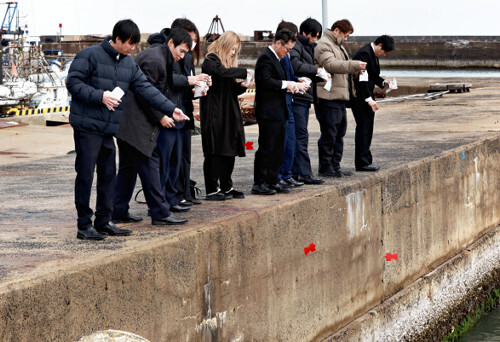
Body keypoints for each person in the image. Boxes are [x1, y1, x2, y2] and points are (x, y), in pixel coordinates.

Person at [66, 19, 188, 240]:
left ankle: (103, 221)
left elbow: (146, 90)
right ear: (118, 39)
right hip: (86, 126)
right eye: (130, 43)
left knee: (108, 175)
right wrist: (100, 96)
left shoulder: (128, 64)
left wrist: (171, 109)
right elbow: (73, 83)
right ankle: (84, 225)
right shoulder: (89, 55)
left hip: (107, 129)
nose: (133, 48)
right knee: (85, 175)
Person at [113, 28, 192, 227]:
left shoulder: (158, 56)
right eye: (181, 51)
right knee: (150, 165)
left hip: (127, 123)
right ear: (171, 42)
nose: (182, 57)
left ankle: (118, 210)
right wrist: (162, 116)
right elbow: (145, 93)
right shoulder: (155, 60)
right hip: (135, 123)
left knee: (128, 169)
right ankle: (160, 212)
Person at [200, 31, 254, 201]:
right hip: (214, 112)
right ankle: (212, 188)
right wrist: (244, 71)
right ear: (225, 46)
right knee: (215, 150)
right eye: (232, 49)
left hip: (228, 110)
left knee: (229, 148)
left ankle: (226, 185)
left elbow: (230, 87)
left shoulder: (225, 65)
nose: (233, 53)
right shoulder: (211, 61)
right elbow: (220, 73)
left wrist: (244, 86)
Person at [252, 29, 307, 195]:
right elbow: (266, 81)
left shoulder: (278, 59)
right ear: (278, 44)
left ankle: (272, 180)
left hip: (279, 111)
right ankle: (260, 182)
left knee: (277, 148)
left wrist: (294, 83)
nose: (287, 52)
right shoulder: (265, 59)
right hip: (268, 112)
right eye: (287, 49)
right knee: (267, 148)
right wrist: (287, 85)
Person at [314, 19, 366, 178]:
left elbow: (340, 66)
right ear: (336, 31)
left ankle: (335, 165)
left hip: (338, 96)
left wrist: (355, 72)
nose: (346, 39)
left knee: (339, 132)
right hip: (328, 97)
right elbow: (332, 65)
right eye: (346, 35)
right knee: (330, 133)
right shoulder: (323, 45)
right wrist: (354, 65)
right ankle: (325, 166)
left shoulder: (337, 45)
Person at [170, 18, 211, 206]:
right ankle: (176, 195)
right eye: (191, 41)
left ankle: (184, 192)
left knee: (184, 156)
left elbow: (186, 81)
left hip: (184, 109)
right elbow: (174, 80)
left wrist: (198, 87)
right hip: (175, 110)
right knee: (174, 157)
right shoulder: (173, 55)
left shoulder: (186, 56)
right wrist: (191, 81)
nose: (192, 45)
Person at [289, 17, 326, 185]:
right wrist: (316, 70)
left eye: (317, 36)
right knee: (300, 135)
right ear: (304, 33)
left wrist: (319, 76)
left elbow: (304, 71)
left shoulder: (308, 46)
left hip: (304, 96)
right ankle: (304, 173)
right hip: (298, 97)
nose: (315, 39)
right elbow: (296, 66)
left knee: (300, 135)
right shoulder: (298, 45)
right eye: (314, 36)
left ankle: (298, 172)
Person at [351, 35, 395, 172]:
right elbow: (361, 80)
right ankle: (362, 162)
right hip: (360, 97)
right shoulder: (364, 54)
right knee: (363, 128)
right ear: (380, 45)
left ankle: (366, 159)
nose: (384, 55)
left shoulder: (372, 54)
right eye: (385, 52)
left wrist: (384, 83)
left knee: (368, 128)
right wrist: (368, 99)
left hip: (367, 96)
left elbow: (373, 75)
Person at [275, 21, 310, 189]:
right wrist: (291, 84)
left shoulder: (286, 55)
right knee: (280, 143)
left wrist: (297, 80)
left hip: (288, 103)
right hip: (279, 106)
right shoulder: (273, 57)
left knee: (290, 141)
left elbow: (289, 75)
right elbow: (272, 80)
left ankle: (287, 175)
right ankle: (279, 176)